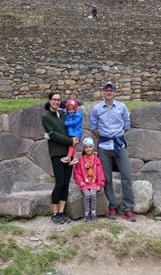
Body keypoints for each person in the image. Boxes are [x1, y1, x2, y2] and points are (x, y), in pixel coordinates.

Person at [90, 81, 136, 222]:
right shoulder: (97, 109)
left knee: (126, 176)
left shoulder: (122, 107)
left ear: (115, 92)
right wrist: (104, 138)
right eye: (106, 90)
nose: (109, 92)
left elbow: (127, 125)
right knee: (107, 179)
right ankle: (112, 206)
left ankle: (128, 208)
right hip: (104, 147)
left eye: (111, 90)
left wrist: (117, 137)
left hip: (119, 146)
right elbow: (94, 127)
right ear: (103, 92)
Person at [42, 91, 79, 224]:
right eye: (54, 99)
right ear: (50, 100)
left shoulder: (64, 115)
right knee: (59, 183)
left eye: (58, 99)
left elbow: (73, 129)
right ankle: (55, 213)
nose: (57, 102)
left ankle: (62, 212)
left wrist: (75, 138)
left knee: (66, 184)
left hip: (69, 153)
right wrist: (70, 141)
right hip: (56, 153)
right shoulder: (46, 117)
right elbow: (53, 135)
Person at [73, 136, 106, 222]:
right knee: (87, 195)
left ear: (93, 147)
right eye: (86, 147)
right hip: (84, 183)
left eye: (90, 147)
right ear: (84, 148)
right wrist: (80, 182)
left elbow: (100, 172)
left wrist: (100, 184)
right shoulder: (81, 160)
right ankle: (87, 214)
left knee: (93, 195)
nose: (88, 149)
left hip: (94, 183)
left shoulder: (97, 159)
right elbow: (77, 173)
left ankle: (94, 214)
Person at [61, 99, 83, 165]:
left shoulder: (78, 115)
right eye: (69, 110)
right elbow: (64, 111)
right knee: (73, 146)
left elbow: (74, 122)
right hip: (73, 133)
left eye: (72, 109)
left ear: (75, 108)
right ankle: (75, 158)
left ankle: (69, 156)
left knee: (72, 145)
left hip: (76, 133)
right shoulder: (69, 114)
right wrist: (60, 109)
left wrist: (66, 123)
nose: (70, 111)